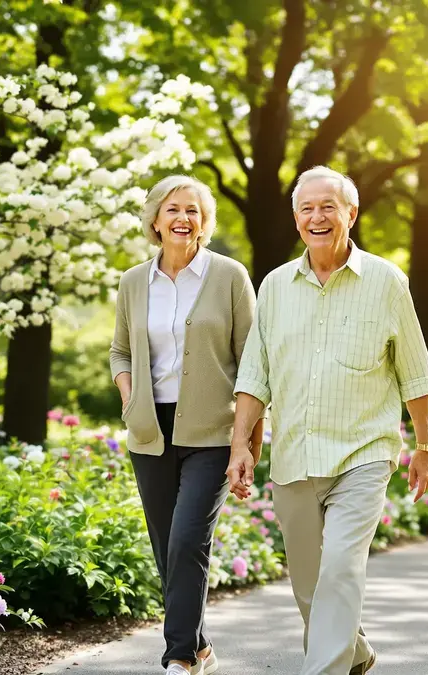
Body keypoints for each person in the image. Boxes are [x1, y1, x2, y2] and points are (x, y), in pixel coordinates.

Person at [226, 165, 428, 675]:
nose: (317, 217)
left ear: (352, 213)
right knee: (308, 585)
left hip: (363, 452)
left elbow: (415, 371)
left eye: (328, 206)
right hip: (296, 454)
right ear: (296, 218)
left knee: (341, 568)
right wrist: (241, 447)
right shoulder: (275, 286)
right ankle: (356, 652)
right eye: (307, 208)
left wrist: (425, 447)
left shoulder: (387, 282)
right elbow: (255, 376)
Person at [110, 175, 262, 675]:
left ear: (204, 222)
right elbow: (119, 351)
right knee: (165, 547)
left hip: (213, 432)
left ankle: (178, 657)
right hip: (151, 430)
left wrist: (247, 440)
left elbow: (253, 362)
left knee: (186, 540)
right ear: (155, 220)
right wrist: (131, 398)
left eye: (193, 210)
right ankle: (198, 645)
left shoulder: (229, 276)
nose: (183, 218)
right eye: (173, 209)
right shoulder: (133, 281)